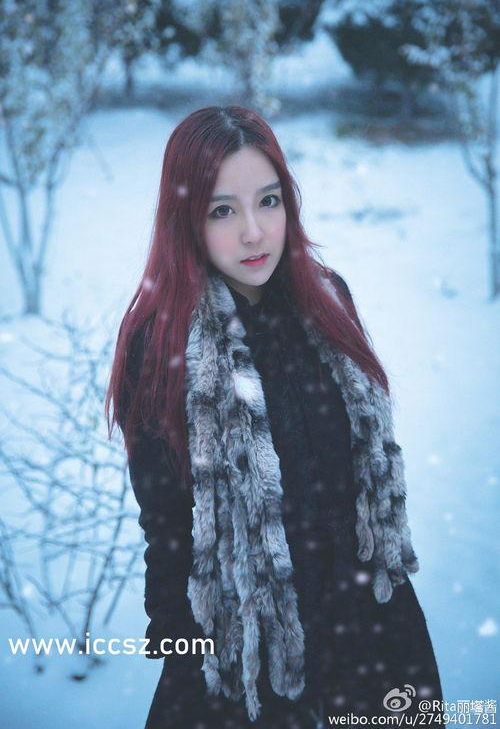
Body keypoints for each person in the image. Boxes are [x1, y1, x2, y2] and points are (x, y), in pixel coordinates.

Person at [105, 105, 445, 729]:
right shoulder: (162, 344)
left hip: (370, 627)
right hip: (248, 657)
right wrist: (188, 656)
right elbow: (169, 531)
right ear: (186, 219)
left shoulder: (327, 300)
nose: (254, 232)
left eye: (268, 201)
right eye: (222, 211)